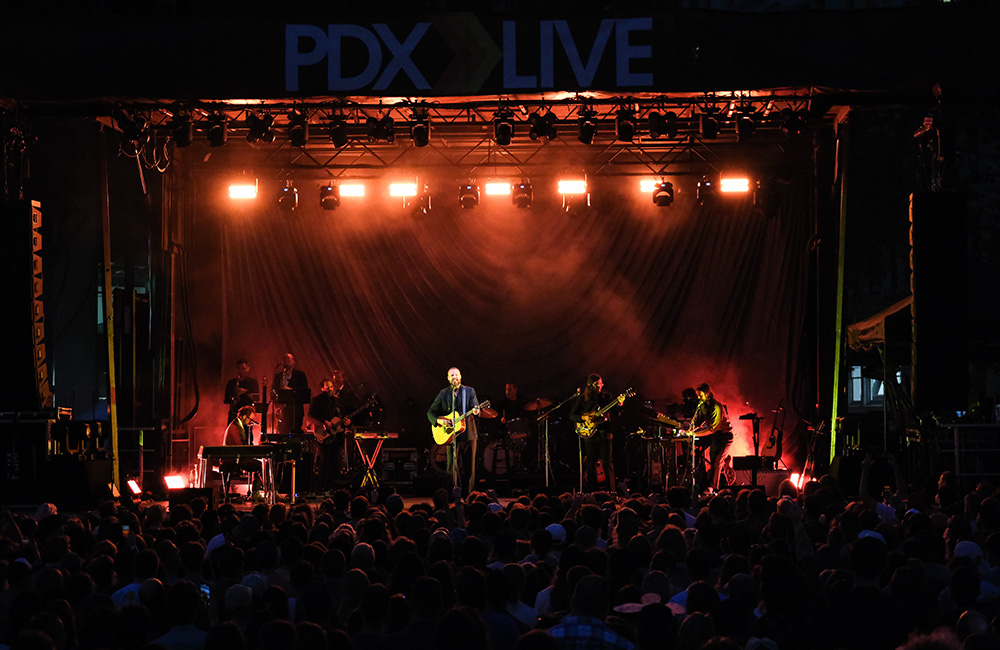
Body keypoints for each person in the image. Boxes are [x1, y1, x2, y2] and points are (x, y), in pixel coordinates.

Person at [427, 367, 481, 493]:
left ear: (460, 376)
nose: (454, 377)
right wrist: (440, 421)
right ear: (448, 378)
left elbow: (475, 407)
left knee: (469, 468)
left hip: (469, 434)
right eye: (452, 375)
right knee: (451, 468)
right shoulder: (443, 393)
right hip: (451, 436)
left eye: (456, 375)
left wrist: (476, 410)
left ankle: (469, 496)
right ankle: (451, 495)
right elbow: (430, 412)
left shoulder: (469, 391)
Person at [569, 374, 622, 493]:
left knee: (607, 462)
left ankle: (611, 492)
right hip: (590, 434)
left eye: (601, 383)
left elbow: (616, 412)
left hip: (605, 433)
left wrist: (619, 404)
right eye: (598, 384)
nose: (600, 386)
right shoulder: (584, 398)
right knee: (591, 463)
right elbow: (572, 415)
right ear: (591, 385)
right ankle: (593, 492)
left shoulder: (606, 397)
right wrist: (584, 418)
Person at [307, 377, 351, 492]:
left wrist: (347, 423)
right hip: (323, 435)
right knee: (325, 461)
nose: (330, 389)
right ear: (322, 388)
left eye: (331, 387)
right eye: (327, 387)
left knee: (336, 461)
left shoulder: (338, 402)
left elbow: (341, 419)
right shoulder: (316, 401)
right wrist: (323, 422)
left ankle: (333, 488)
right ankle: (322, 487)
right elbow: (310, 416)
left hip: (337, 437)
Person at [689, 382, 734, 494]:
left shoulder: (717, 407)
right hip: (714, 436)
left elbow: (712, 428)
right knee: (708, 460)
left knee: (717, 461)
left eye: (701, 395)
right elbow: (696, 421)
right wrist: (690, 429)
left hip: (724, 436)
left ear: (708, 394)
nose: (699, 397)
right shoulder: (702, 406)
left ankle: (712, 488)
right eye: (698, 395)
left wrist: (694, 434)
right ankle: (707, 484)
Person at [221, 405, 261, 502]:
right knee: (261, 466)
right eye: (249, 419)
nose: (250, 422)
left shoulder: (237, 425)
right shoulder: (236, 428)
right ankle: (256, 493)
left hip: (235, 458)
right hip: (233, 460)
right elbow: (240, 446)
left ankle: (256, 492)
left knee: (258, 465)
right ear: (243, 416)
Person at [272, 353, 309, 433]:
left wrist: (290, 390)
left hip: (296, 411)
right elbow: (273, 391)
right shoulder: (278, 376)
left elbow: (304, 390)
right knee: (283, 432)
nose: (287, 363)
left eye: (289, 360)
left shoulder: (300, 375)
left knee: (296, 433)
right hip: (283, 411)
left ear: (293, 362)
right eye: (285, 361)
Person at [224, 359, 260, 425]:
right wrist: (233, 398)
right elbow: (226, 400)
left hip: (247, 414)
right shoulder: (231, 383)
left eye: (243, 369)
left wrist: (245, 392)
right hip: (234, 413)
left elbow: (257, 398)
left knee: (247, 434)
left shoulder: (252, 382)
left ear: (247, 369)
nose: (240, 371)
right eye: (239, 369)